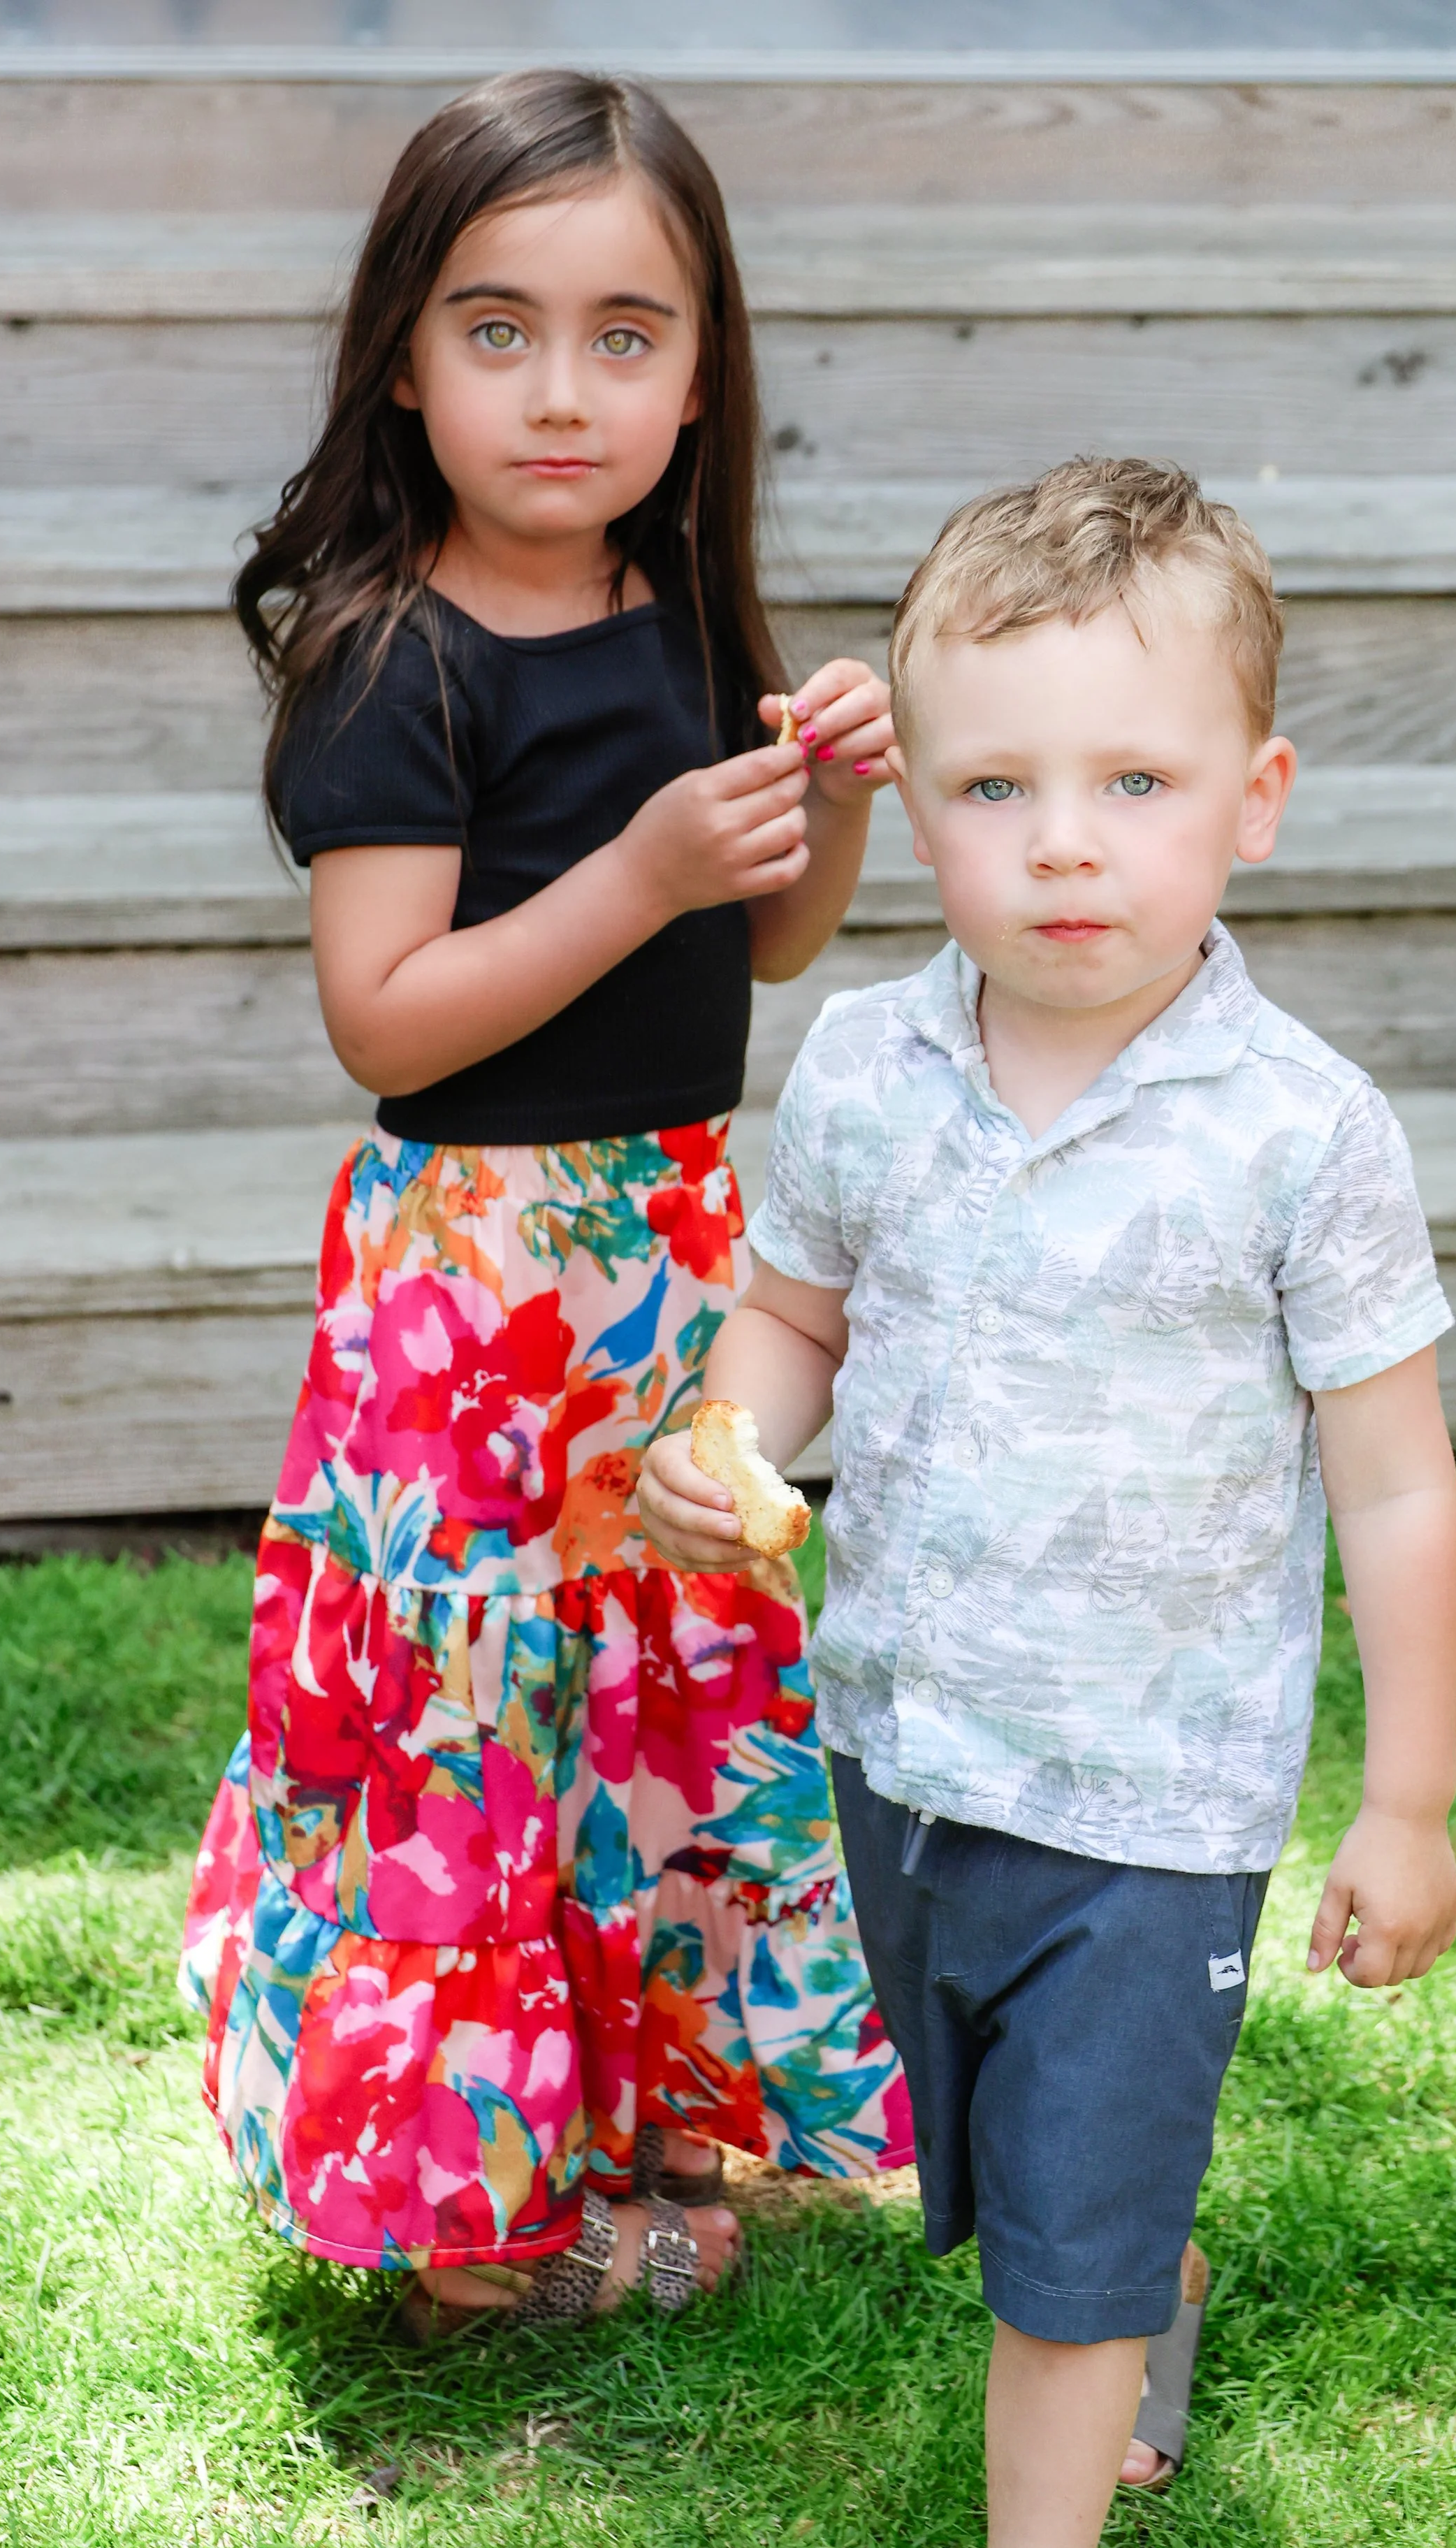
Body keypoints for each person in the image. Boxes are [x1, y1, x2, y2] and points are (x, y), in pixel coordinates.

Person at [640, 458, 1456, 2548]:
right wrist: (727, 1433)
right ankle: (1129, 2245)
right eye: (996, 785)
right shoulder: (864, 1067)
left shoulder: (1300, 1131)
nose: (1064, 841)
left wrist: (1402, 1802)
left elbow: (1391, 1477)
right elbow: (797, 1316)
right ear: (917, 804)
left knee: (1058, 2252)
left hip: (1149, 1804)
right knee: (1017, 2165)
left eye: (1133, 781)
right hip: (907, 1751)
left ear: (1252, 800)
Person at [178, 66, 912, 2342]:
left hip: (665, 1257)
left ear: (701, 373)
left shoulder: (678, 616)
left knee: (653, 1675)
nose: (563, 389)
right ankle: (470, 2213)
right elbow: (388, 1014)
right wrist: (644, 863)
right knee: (479, 1701)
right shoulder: (390, 655)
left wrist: (823, 800)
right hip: (475, 1288)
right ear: (405, 358)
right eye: (497, 329)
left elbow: (767, 952)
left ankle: (656, 2108)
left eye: (625, 333)